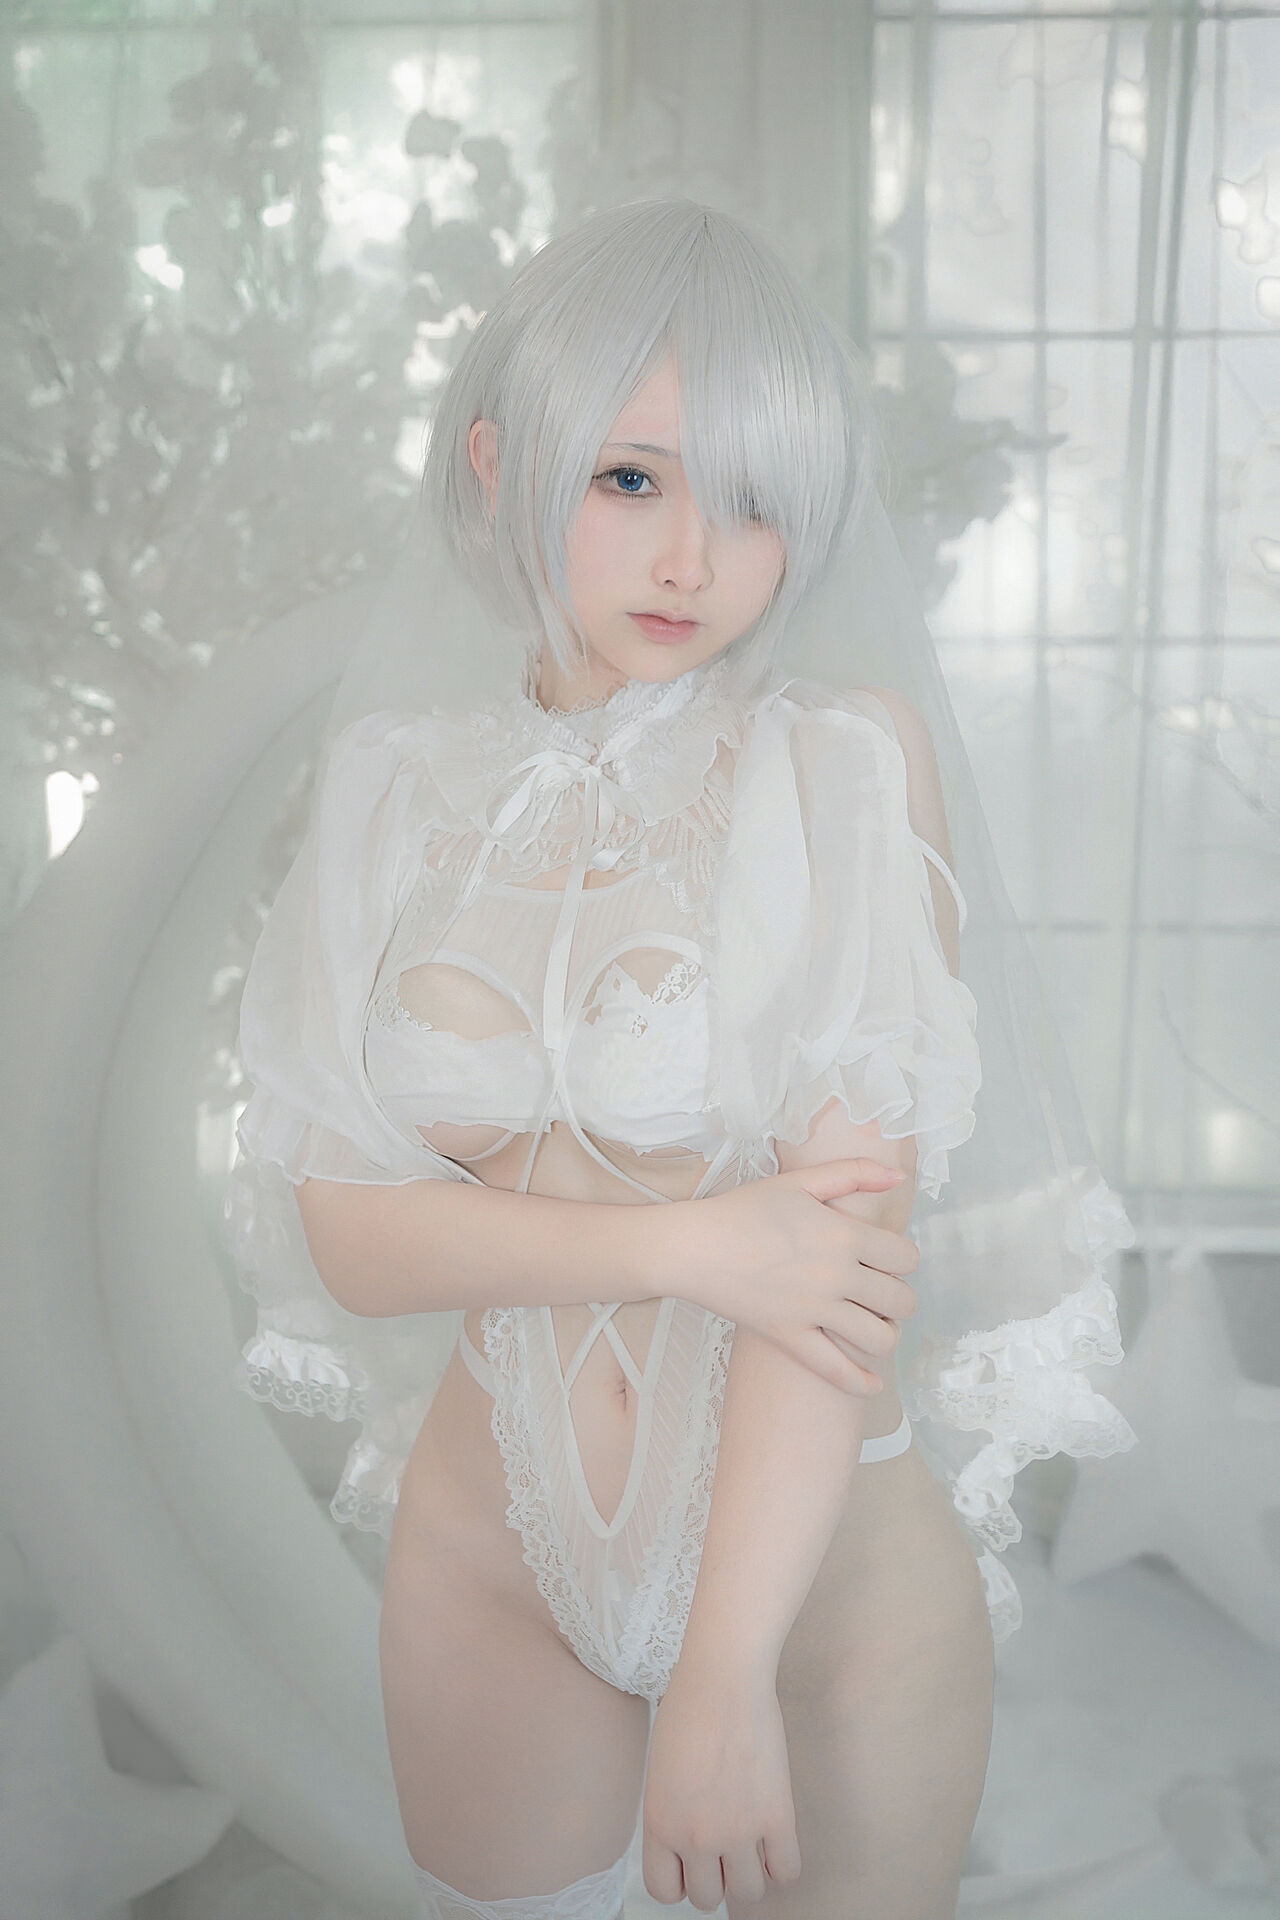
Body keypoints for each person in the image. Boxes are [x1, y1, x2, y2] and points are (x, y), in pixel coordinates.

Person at [227, 199, 1137, 1920]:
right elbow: (352, 1233)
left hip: (821, 1587)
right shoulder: (393, 786)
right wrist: (695, 1243)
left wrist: (723, 1680)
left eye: (757, 501)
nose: (691, 559)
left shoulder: (839, 769)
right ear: (499, 465)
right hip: (491, 1563)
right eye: (632, 478)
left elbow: (839, 1278)